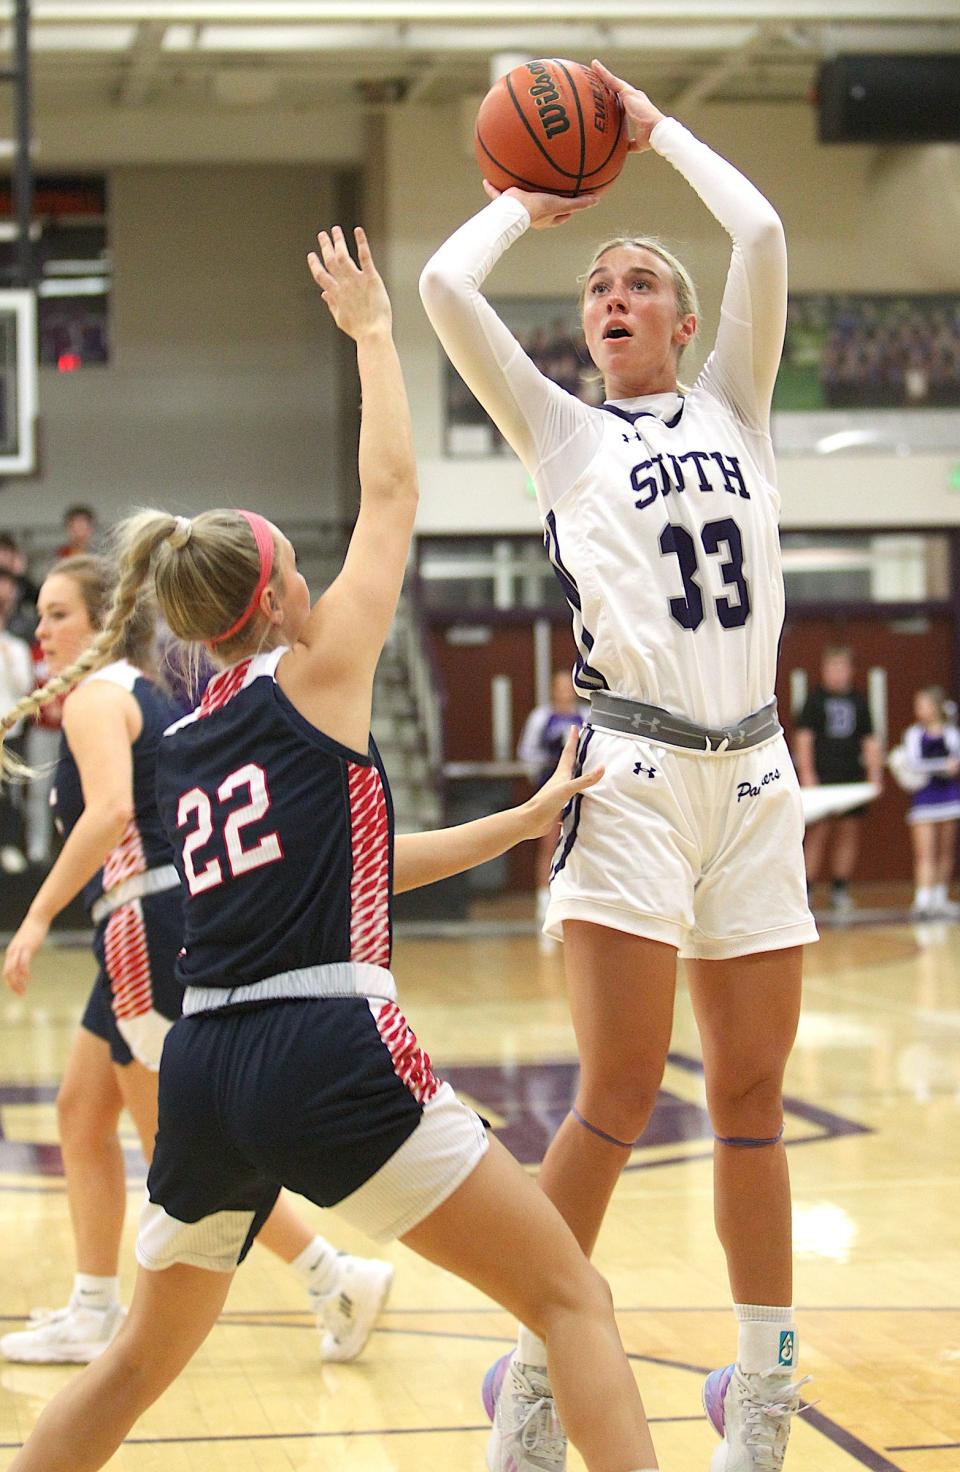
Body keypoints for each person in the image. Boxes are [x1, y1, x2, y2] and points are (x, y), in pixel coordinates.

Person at [0, 226, 659, 1472]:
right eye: (302, 565)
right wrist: (369, 334)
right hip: (325, 1047)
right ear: (277, 600)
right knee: (574, 1298)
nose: (320, 575)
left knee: (137, 1359)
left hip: (204, 1063)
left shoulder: (188, 739)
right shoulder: (322, 676)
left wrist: (517, 826)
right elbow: (396, 492)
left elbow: (357, 865)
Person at [421, 59, 817, 1472]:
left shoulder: (737, 410)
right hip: (634, 781)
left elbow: (761, 233)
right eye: (597, 288)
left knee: (756, 1102)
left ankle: (762, 1400)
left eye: (638, 280)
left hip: (757, 781)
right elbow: (445, 298)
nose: (613, 296)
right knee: (614, 1096)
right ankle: (538, 1379)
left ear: (687, 320)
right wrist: (522, 204)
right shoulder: (563, 433)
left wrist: (655, 133)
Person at [1, 555, 394, 1368]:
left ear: (102, 621)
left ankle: (335, 1274)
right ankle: (93, 1303)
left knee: (184, 1151)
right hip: (152, 917)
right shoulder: (139, 691)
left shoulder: (98, 696)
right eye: (39, 616)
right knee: (81, 1112)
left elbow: (111, 810)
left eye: (57, 614)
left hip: (143, 919)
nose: (41, 630)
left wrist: (35, 917)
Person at [793, 645, 883, 913]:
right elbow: (804, 738)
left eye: (842, 667)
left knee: (848, 832)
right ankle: (806, 889)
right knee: (818, 832)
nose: (837, 673)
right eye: (832, 667)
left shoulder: (859, 701)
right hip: (822, 777)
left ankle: (840, 888)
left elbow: (870, 740)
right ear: (823, 670)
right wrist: (807, 774)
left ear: (850, 670)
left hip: (851, 776)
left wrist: (874, 776)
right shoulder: (814, 700)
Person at [517, 669, 587, 927]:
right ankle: (544, 900)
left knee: (582, 842)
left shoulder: (585, 715)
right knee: (548, 842)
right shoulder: (541, 717)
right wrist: (541, 776)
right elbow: (527, 752)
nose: (564, 692)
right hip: (551, 785)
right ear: (552, 690)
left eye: (567, 687)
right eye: (559, 687)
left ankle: (579, 899)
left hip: (579, 787)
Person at [900, 687, 960, 918]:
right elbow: (914, 763)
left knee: (946, 851)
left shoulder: (951, 733)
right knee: (925, 852)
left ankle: (940, 897)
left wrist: (950, 767)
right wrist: (941, 767)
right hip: (924, 798)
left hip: (949, 796)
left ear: (935, 707)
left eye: (923, 704)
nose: (919, 710)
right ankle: (922, 899)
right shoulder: (914, 734)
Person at [0, 568, 35, 872]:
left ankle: (10, 845)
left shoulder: (17, 647)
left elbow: (25, 687)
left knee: (10, 792)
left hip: (9, 731)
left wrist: (8, 656)